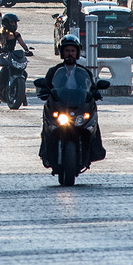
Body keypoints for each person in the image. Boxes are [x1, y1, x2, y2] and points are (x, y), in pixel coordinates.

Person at [37, 33, 106, 168]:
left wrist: (96, 92)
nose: (70, 54)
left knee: (93, 125)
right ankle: (46, 153)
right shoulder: (54, 71)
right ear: (62, 52)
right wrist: (44, 91)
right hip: (60, 106)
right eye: (67, 51)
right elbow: (46, 86)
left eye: (73, 51)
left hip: (79, 106)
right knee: (47, 127)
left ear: (77, 53)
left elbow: (91, 87)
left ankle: (95, 151)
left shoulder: (83, 72)